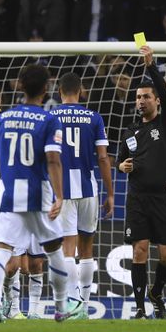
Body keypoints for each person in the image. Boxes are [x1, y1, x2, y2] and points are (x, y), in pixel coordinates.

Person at [0, 64, 80, 323]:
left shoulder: (3, 118)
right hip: (39, 196)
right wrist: (60, 196)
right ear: (47, 88)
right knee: (54, 251)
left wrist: (9, 178)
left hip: (9, 195)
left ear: (21, 86)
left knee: (1, 251)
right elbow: (52, 160)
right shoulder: (49, 120)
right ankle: (60, 308)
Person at [116, 45, 166, 320]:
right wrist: (122, 165)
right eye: (138, 97)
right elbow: (119, 160)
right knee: (139, 250)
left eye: (147, 97)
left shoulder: (165, 124)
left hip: (164, 198)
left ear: (157, 101)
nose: (141, 101)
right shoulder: (130, 131)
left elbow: (165, 92)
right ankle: (140, 308)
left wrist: (151, 66)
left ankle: (156, 292)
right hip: (138, 197)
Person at [49, 73, 115, 311]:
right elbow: (103, 157)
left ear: (59, 92)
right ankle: (84, 304)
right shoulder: (94, 118)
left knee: (68, 245)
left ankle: (72, 301)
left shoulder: (51, 117)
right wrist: (110, 193)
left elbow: (47, 157)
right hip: (88, 189)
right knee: (87, 247)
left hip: (62, 190)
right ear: (81, 91)